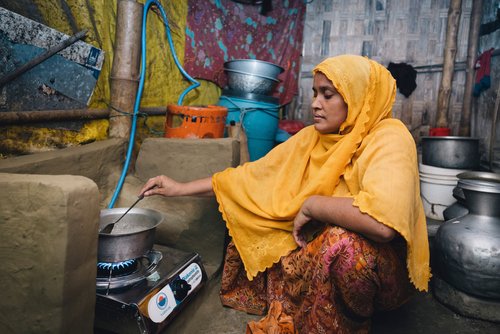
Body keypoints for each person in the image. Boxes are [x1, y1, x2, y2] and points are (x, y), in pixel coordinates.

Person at [139, 54, 431, 333]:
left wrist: (313, 205)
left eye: (327, 95)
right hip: (325, 249)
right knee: (261, 215)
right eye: (315, 93)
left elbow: (382, 225)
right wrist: (179, 188)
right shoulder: (312, 138)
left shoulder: (390, 138)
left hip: (381, 270)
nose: (315, 104)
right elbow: (251, 178)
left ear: (357, 96)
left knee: (343, 245)